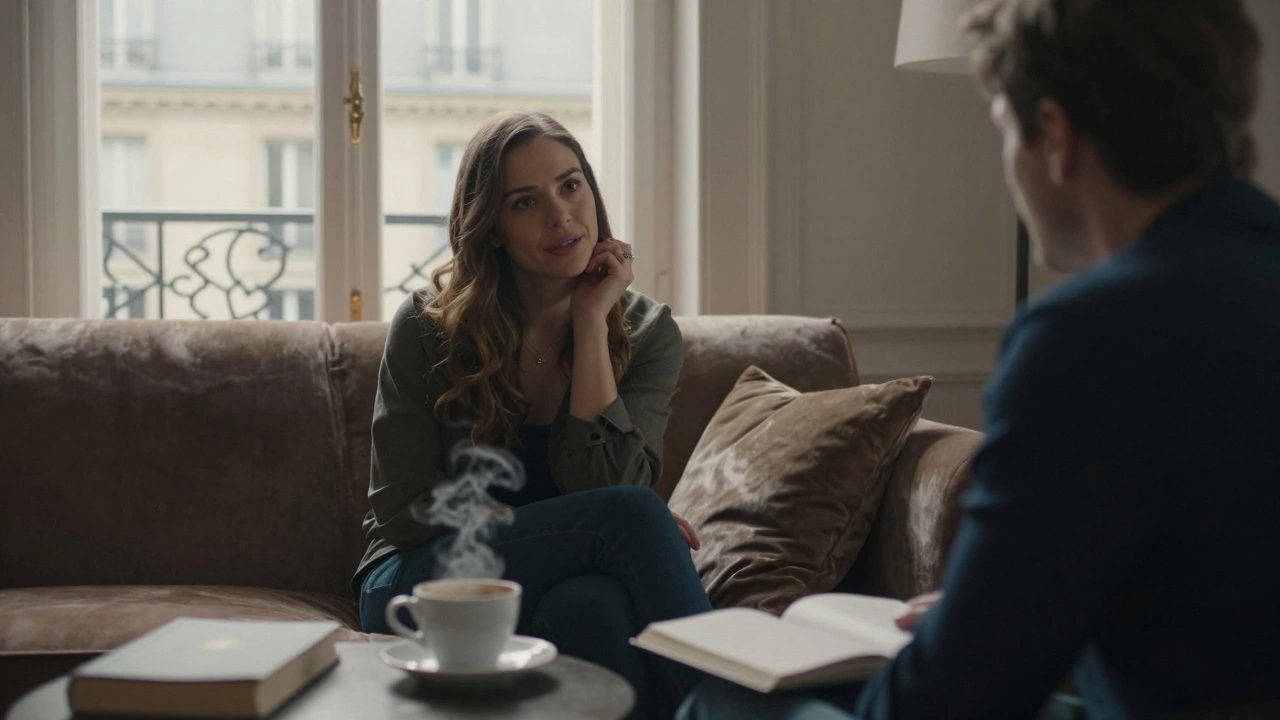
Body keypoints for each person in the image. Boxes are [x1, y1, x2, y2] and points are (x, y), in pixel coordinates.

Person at [678, 0, 1280, 718]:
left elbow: (948, 703)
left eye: (1002, 127)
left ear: (1054, 136)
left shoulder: (1086, 339)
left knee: (728, 702)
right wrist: (996, 605)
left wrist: (974, 635)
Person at [355, 111, 712, 719]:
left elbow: (607, 488)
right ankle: (727, 706)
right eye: (525, 202)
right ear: (491, 227)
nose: (561, 215)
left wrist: (591, 326)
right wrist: (584, 524)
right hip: (420, 579)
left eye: (571, 186)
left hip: (553, 579)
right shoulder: (426, 326)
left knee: (592, 607)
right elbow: (405, 504)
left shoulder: (649, 333)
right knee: (628, 515)